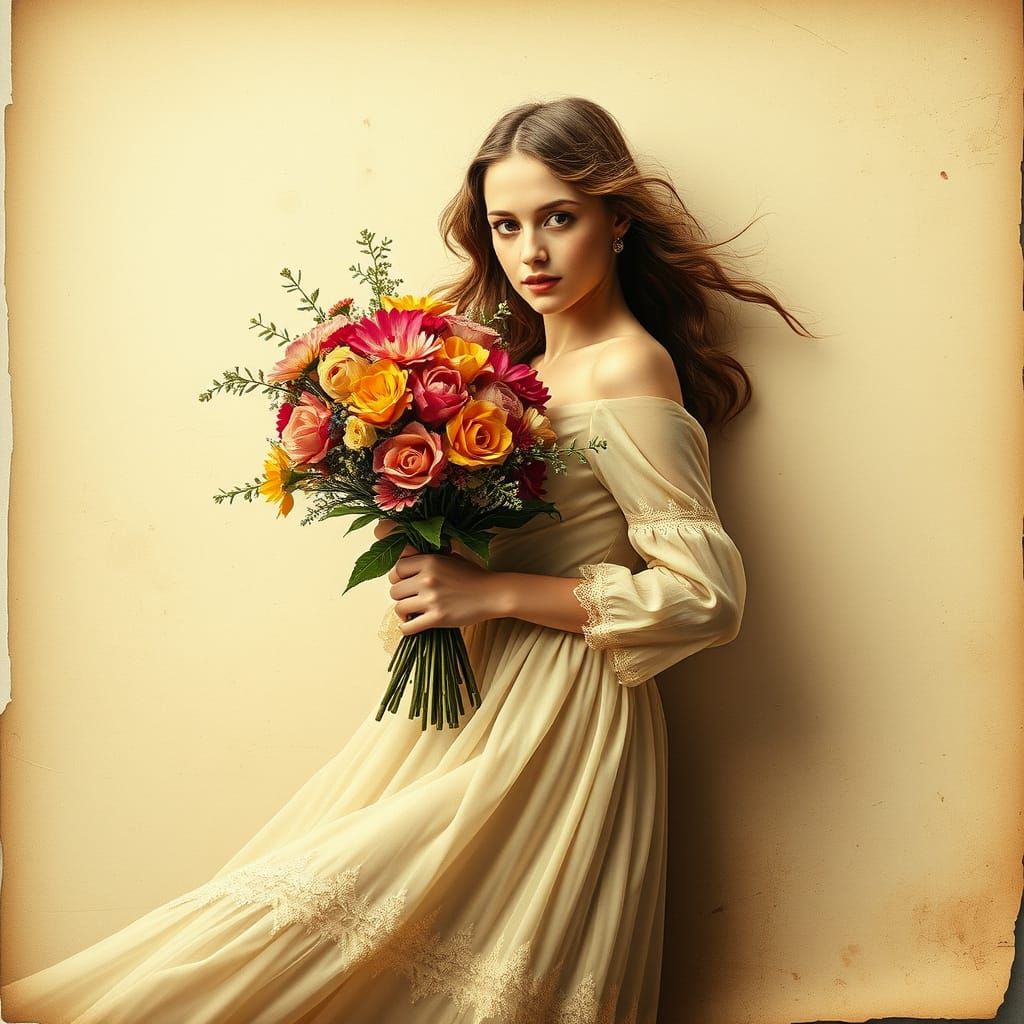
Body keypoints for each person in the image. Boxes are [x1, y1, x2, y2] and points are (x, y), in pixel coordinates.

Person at [0, 96, 814, 1024]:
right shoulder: (498, 370)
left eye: (560, 218)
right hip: (457, 696)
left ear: (617, 220)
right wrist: (417, 526)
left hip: (558, 717)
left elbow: (706, 597)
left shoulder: (630, 368)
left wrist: (495, 586)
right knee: (321, 929)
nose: (531, 254)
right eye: (506, 226)